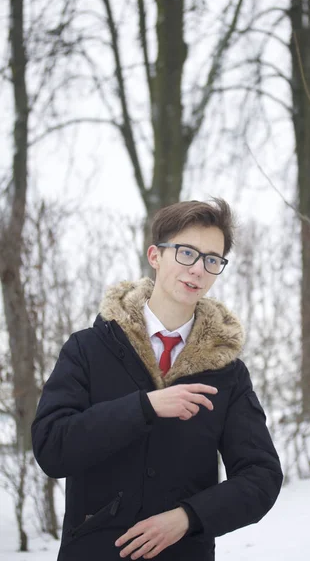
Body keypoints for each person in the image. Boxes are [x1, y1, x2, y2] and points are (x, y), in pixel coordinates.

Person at [31, 198, 283, 561]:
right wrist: (143, 407)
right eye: (186, 253)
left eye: (212, 259)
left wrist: (188, 517)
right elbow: (51, 448)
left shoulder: (228, 373)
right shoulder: (88, 348)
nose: (198, 269)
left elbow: (262, 477)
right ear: (155, 256)